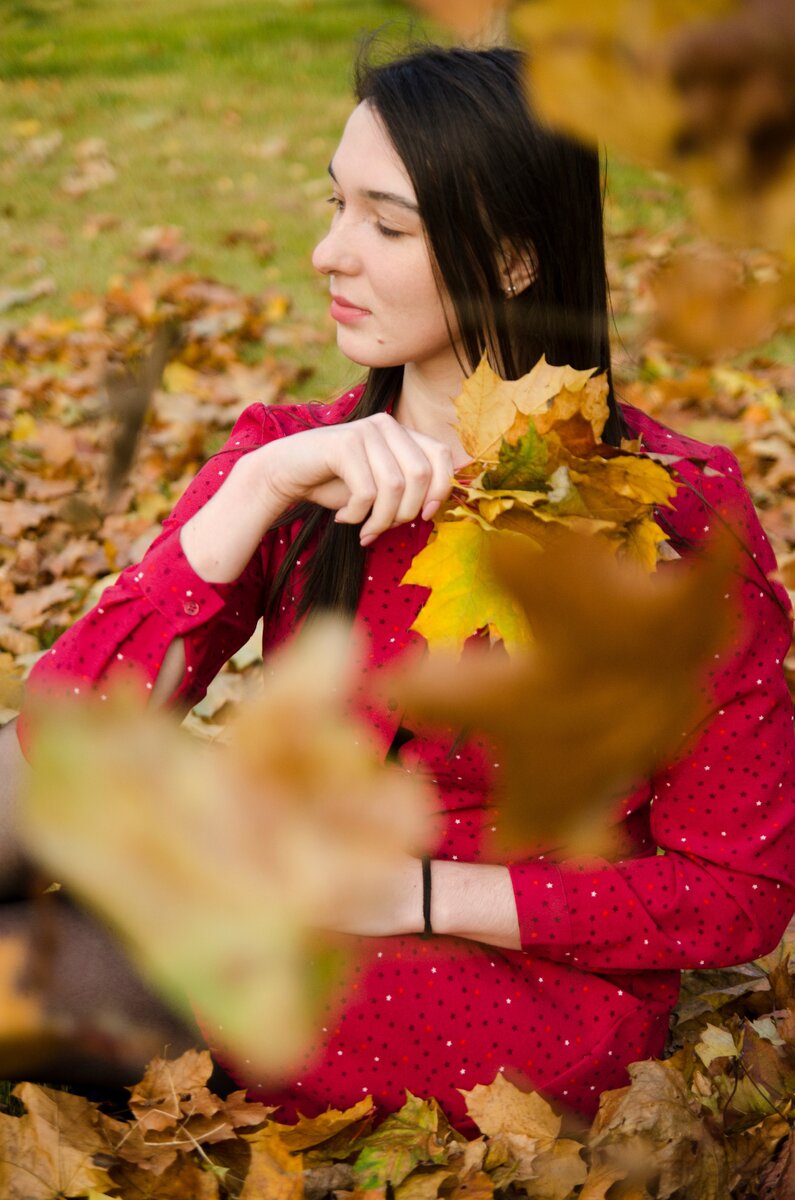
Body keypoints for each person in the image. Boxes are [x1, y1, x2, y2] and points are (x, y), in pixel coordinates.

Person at [3, 43, 795, 1129]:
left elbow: (739, 893)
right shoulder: (297, 456)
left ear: (515, 260)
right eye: (334, 205)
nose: (329, 252)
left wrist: (419, 894)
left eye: (385, 223)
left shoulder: (667, 518)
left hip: (500, 986)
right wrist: (250, 499)